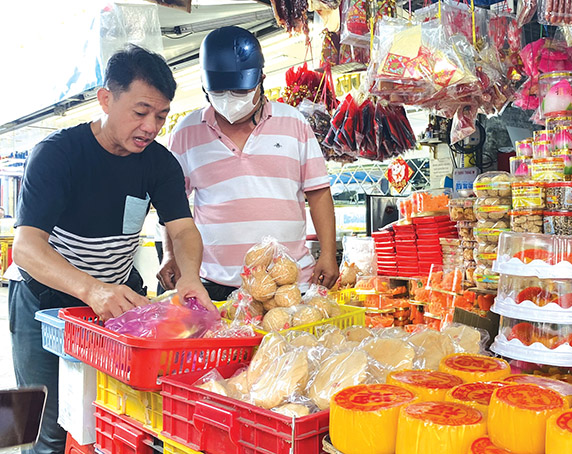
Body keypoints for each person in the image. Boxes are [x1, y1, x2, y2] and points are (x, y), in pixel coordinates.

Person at [9, 45, 212, 454]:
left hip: (115, 305)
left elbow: (184, 229)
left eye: (161, 116)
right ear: (106, 99)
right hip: (43, 302)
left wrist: (189, 275)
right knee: (46, 426)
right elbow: (26, 247)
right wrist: (91, 289)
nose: (150, 126)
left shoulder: (159, 163)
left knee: (113, 417)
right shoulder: (57, 154)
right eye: (140, 112)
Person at [160, 26, 339, 301]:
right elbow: (172, 205)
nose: (229, 100)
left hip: (287, 281)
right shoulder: (185, 132)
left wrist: (328, 253)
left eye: (240, 91)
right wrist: (169, 255)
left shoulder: (293, 122)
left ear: (261, 80)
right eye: (220, 92)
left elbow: (318, 193)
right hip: (214, 282)